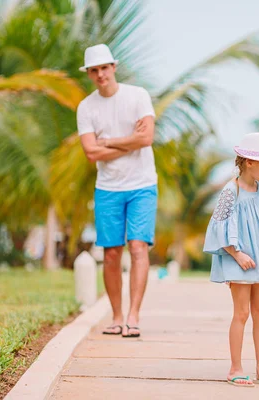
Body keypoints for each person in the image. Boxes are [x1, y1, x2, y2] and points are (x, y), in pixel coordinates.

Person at [77, 44, 157, 338]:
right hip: (107, 188)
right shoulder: (86, 107)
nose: (100, 74)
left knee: (138, 247)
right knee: (111, 254)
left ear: (114, 67)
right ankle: (117, 316)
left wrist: (108, 142)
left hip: (142, 185)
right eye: (94, 70)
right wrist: (128, 141)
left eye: (104, 68)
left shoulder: (137, 96)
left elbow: (146, 138)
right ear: (89, 74)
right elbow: (90, 152)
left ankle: (133, 316)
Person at [203, 132, 259, 387]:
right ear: (249, 162)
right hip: (239, 260)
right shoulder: (231, 190)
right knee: (242, 312)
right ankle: (235, 368)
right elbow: (218, 227)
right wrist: (237, 254)